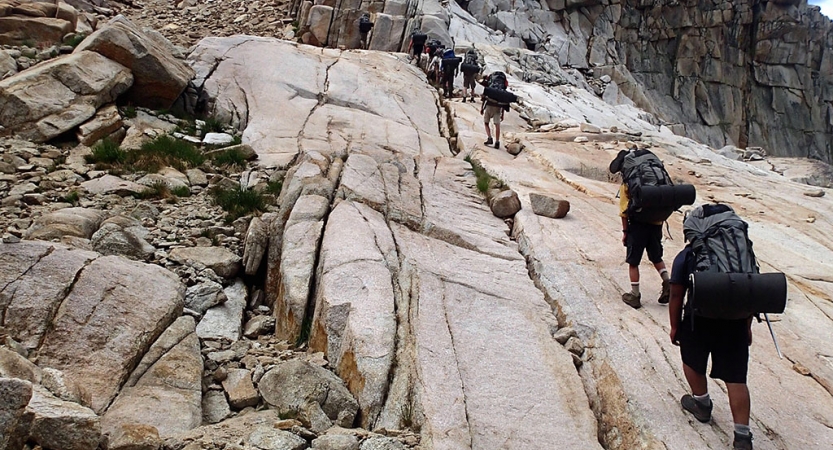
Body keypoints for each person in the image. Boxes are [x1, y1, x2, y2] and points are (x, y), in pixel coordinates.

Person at [669, 213, 755, 450]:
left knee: (692, 360)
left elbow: (676, 294)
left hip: (699, 320)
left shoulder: (688, 255)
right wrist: (746, 326)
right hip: (735, 322)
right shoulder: (742, 255)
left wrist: (676, 326)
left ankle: (701, 404)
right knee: (736, 377)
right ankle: (742, 435)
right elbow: (750, 291)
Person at [609, 148, 670, 309]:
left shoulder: (629, 183)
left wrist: (625, 232)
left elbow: (623, 211)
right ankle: (667, 281)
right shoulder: (654, 176)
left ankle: (635, 295)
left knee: (633, 261)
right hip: (656, 223)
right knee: (656, 257)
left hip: (637, 225)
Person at [480, 72, 508, 149]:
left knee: (486, 123)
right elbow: (504, 102)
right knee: (497, 125)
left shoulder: (490, 87)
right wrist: (502, 114)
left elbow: (484, 98)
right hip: (498, 107)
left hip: (489, 105)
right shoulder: (501, 88)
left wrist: (482, 108)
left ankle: (489, 138)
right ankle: (497, 141)